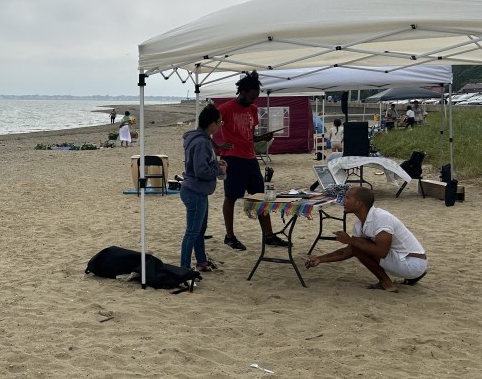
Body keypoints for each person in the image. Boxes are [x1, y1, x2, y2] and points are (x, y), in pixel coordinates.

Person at [305, 187, 427, 292]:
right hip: (401, 261)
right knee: (358, 245)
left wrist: (351, 241)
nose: (343, 201)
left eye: (347, 198)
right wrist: (320, 259)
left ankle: (386, 284)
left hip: (413, 264)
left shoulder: (382, 218)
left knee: (359, 245)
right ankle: (388, 282)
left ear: (359, 203)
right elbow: (348, 251)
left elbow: (382, 252)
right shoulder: (360, 224)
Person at [217, 72, 288, 251]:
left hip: (250, 158)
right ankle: (229, 237)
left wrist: (263, 138)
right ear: (243, 91)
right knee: (231, 197)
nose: (253, 100)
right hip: (232, 158)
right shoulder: (225, 108)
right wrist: (217, 147)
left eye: (256, 97)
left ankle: (269, 236)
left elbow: (249, 137)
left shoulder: (253, 109)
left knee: (260, 197)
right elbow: (204, 128)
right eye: (252, 96)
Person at [180, 105, 228, 272]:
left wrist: (214, 163)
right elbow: (201, 171)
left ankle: (201, 262)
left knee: (200, 230)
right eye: (219, 122)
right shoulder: (201, 141)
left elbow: (200, 164)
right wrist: (219, 170)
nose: (220, 125)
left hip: (197, 191)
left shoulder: (200, 139)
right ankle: (184, 269)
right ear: (211, 124)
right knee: (192, 232)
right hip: (195, 191)